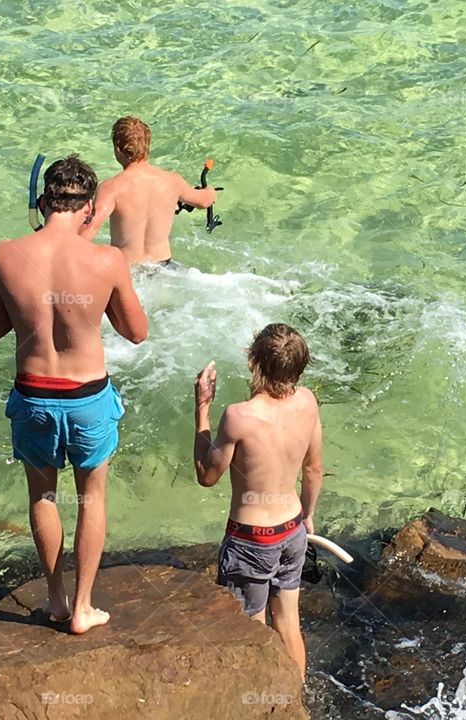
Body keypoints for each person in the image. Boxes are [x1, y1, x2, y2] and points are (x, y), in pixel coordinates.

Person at [0, 154, 147, 634]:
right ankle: (83, 608)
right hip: (88, 397)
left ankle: (55, 600)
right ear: (89, 208)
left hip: (33, 395)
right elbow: (136, 332)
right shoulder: (106, 260)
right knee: (91, 499)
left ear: (41, 202)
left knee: (43, 496)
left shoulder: (4, 254)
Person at [192, 323, 324, 679]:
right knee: (289, 623)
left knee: (249, 630)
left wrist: (202, 408)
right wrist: (308, 517)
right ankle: (294, 696)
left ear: (254, 362)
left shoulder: (239, 416)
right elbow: (313, 469)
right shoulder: (308, 402)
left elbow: (206, 474)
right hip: (293, 530)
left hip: (252, 539)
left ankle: (261, 700)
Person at [80, 116, 217, 265]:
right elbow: (204, 201)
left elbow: (90, 228)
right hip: (164, 267)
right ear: (146, 147)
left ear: (117, 149)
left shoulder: (111, 187)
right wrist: (210, 191)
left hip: (127, 270)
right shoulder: (172, 181)